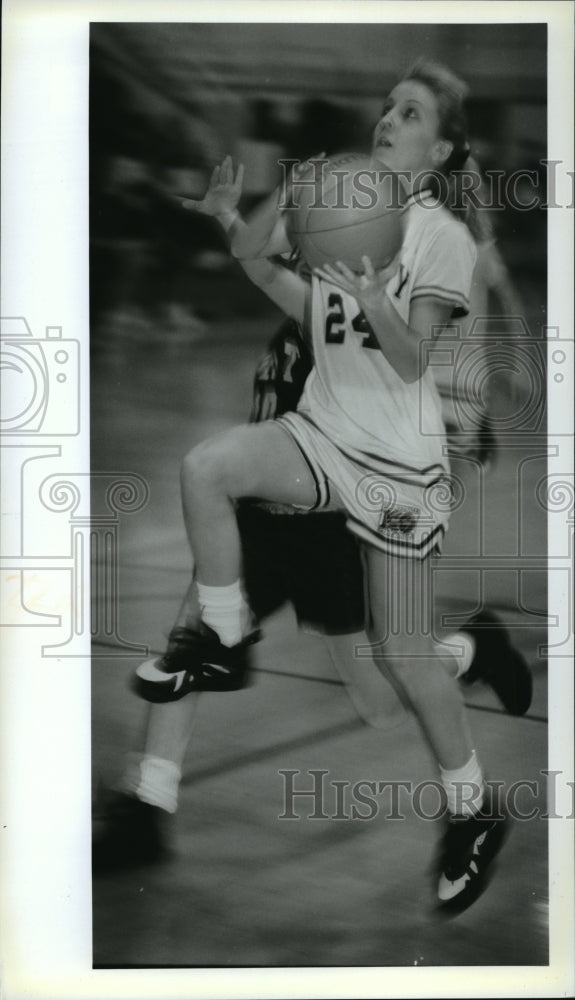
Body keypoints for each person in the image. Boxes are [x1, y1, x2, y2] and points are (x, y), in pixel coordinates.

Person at [95, 61, 533, 916]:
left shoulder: (438, 239)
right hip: (309, 453)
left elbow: (429, 365)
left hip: (383, 477)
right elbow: (266, 266)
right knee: (204, 543)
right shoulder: (342, 205)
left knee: (383, 692)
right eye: (385, 106)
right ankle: (151, 791)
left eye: (407, 113)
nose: (385, 118)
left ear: (438, 146)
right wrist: (252, 209)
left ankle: (470, 720)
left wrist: (398, 336)